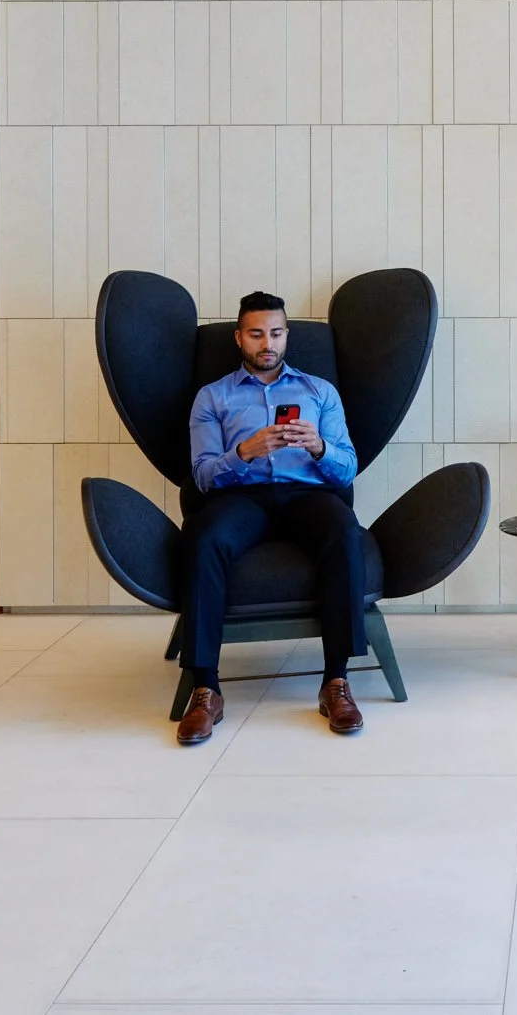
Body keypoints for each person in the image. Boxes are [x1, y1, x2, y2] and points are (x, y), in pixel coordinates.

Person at [174, 290, 367, 745]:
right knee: (204, 537)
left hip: (307, 494)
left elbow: (347, 468)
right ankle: (205, 688)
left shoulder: (320, 392)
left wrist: (318, 446)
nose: (268, 343)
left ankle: (336, 681)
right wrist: (244, 452)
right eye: (257, 334)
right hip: (242, 495)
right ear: (239, 338)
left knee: (343, 531)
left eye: (276, 333)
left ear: (286, 336)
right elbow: (202, 475)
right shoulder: (212, 397)